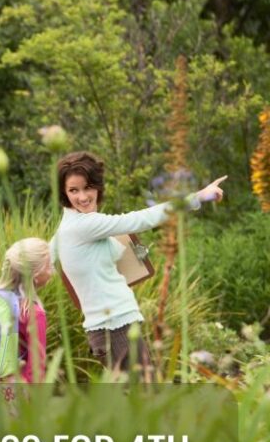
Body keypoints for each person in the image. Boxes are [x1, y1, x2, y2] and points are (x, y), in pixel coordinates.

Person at [51, 151, 226, 375]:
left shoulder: (69, 224)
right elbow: (141, 219)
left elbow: (46, 257)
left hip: (111, 327)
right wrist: (198, 197)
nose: (82, 196)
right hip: (115, 327)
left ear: (98, 186)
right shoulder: (83, 225)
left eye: (87, 187)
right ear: (65, 194)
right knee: (148, 399)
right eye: (73, 190)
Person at [0, 238, 52, 384]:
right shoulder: (33, 313)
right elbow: (36, 370)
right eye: (48, 266)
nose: (52, 271)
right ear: (35, 273)